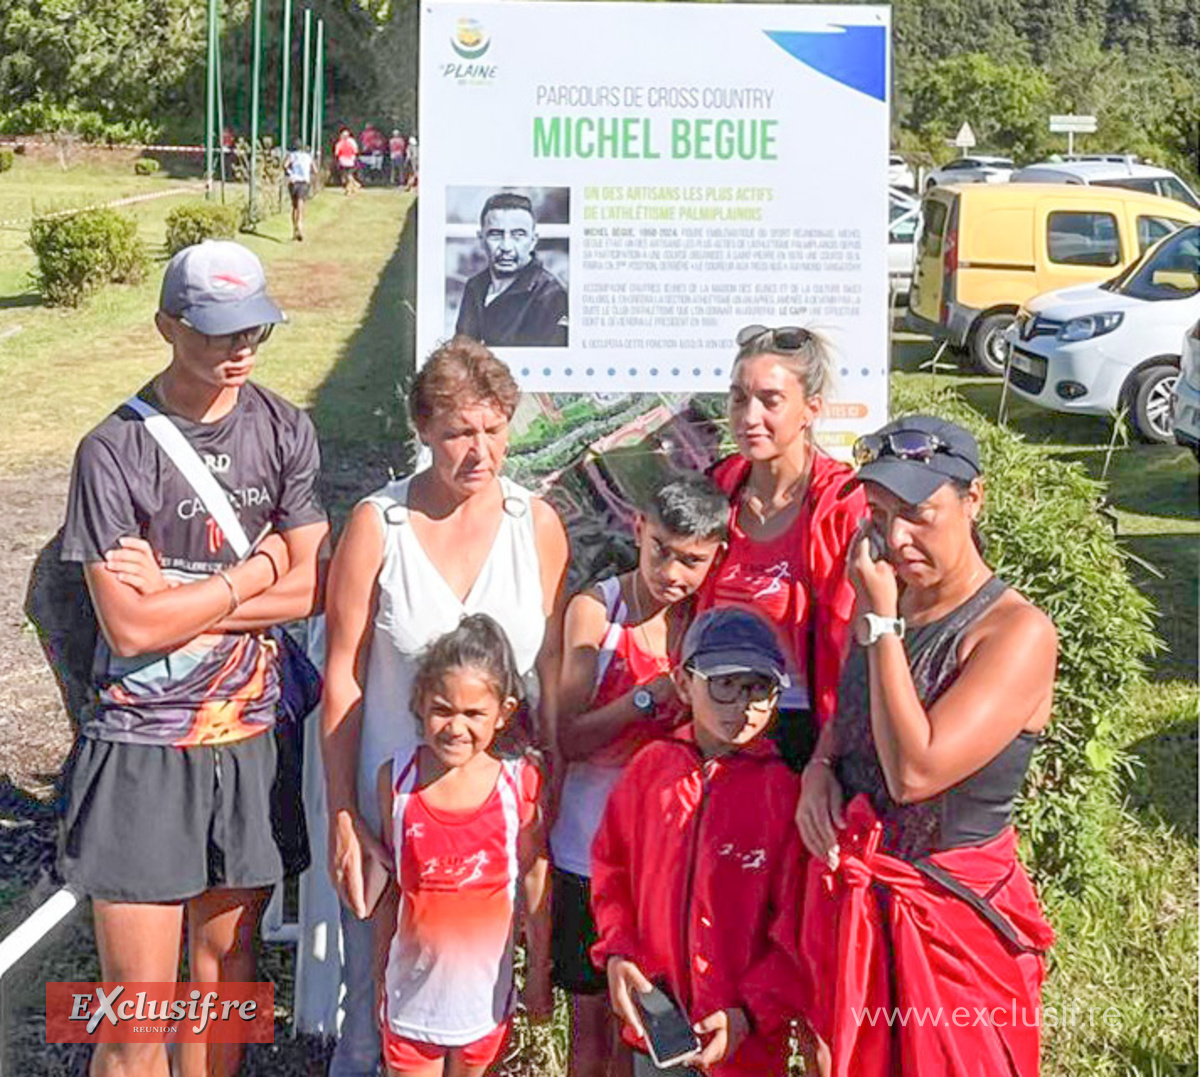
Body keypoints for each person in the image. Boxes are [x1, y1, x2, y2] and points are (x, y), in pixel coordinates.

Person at [57, 239, 329, 1077]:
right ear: (166, 326)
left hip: (246, 740)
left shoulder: (286, 427)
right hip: (140, 747)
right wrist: (252, 572)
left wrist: (181, 594)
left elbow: (314, 586)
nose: (239, 348)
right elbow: (130, 630)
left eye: (254, 329)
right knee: (135, 1009)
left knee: (227, 980)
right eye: (216, 333)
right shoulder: (111, 451)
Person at [322, 335, 569, 1077]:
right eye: (461, 431)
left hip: (494, 814)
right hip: (389, 808)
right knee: (377, 1006)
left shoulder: (537, 525)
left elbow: (549, 672)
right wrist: (342, 813)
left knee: (479, 1000)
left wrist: (544, 799)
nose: (480, 450)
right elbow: (344, 674)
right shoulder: (378, 524)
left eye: (495, 430)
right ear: (423, 427)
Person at [795, 416, 1057, 1077]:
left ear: (975, 499)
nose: (898, 537)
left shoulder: (1015, 631)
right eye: (881, 515)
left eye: (919, 512)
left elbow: (916, 771)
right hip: (862, 903)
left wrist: (881, 621)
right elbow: (853, 711)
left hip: (950, 917)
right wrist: (820, 768)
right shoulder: (890, 602)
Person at [550, 476, 729, 1077]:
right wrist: (648, 700)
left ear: (716, 558)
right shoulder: (596, 610)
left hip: (667, 865)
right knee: (592, 1031)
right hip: (586, 855)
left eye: (692, 561)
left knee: (651, 1035)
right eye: (662, 551)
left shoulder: (706, 623)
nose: (673, 573)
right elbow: (567, 737)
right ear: (638, 531)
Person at [591, 607, 809, 1077]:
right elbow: (612, 872)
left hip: (743, 1044)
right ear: (685, 683)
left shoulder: (784, 794)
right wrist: (619, 952)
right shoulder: (651, 770)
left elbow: (798, 927)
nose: (743, 705)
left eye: (758, 688)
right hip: (657, 1028)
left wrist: (752, 1013)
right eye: (724, 684)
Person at [376, 614, 550, 1076]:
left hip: (484, 1007)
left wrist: (537, 974)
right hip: (410, 1004)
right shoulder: (397, 781)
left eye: (474, 714)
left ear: (504, 712)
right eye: (442, 710)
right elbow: (389, 891)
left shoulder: (520, 785)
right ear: (419, 703)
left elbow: (534, 879)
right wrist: (375, 977)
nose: (456, 727)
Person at [698, 325, 867, 773]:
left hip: (803, 738)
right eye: (738, 398)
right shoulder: (719, 488)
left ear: (810, 410)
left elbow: (854, 642)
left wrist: (827, 757)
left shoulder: (841, 503)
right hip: (715, 724)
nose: (749, 416)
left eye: (770, 401)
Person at [455, 191, 568, 348]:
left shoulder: (551, 295)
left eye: (518, 235)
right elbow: (461, 351)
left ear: (533, 240)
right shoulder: (475, 286)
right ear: (481, 239)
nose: (506, 247)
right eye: (496, 235)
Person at [284, 141, 315, 241]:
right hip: (304, 182)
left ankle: (294, 230)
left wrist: (289, 172)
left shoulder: (292, 156)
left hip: (294, 182)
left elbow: (285, 165)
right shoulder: (307, 156)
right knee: (300, 205)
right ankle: (300, 226)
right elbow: (315, 169)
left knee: (294, 207)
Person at [335, 126, 360, 195]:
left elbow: (337, 153)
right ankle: (355, 185)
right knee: (348, 175)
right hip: (346, 160)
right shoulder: (350, 142)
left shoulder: (341, 143)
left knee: (348, 175)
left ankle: (349, 190)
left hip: (347, 161)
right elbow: (356, 151)